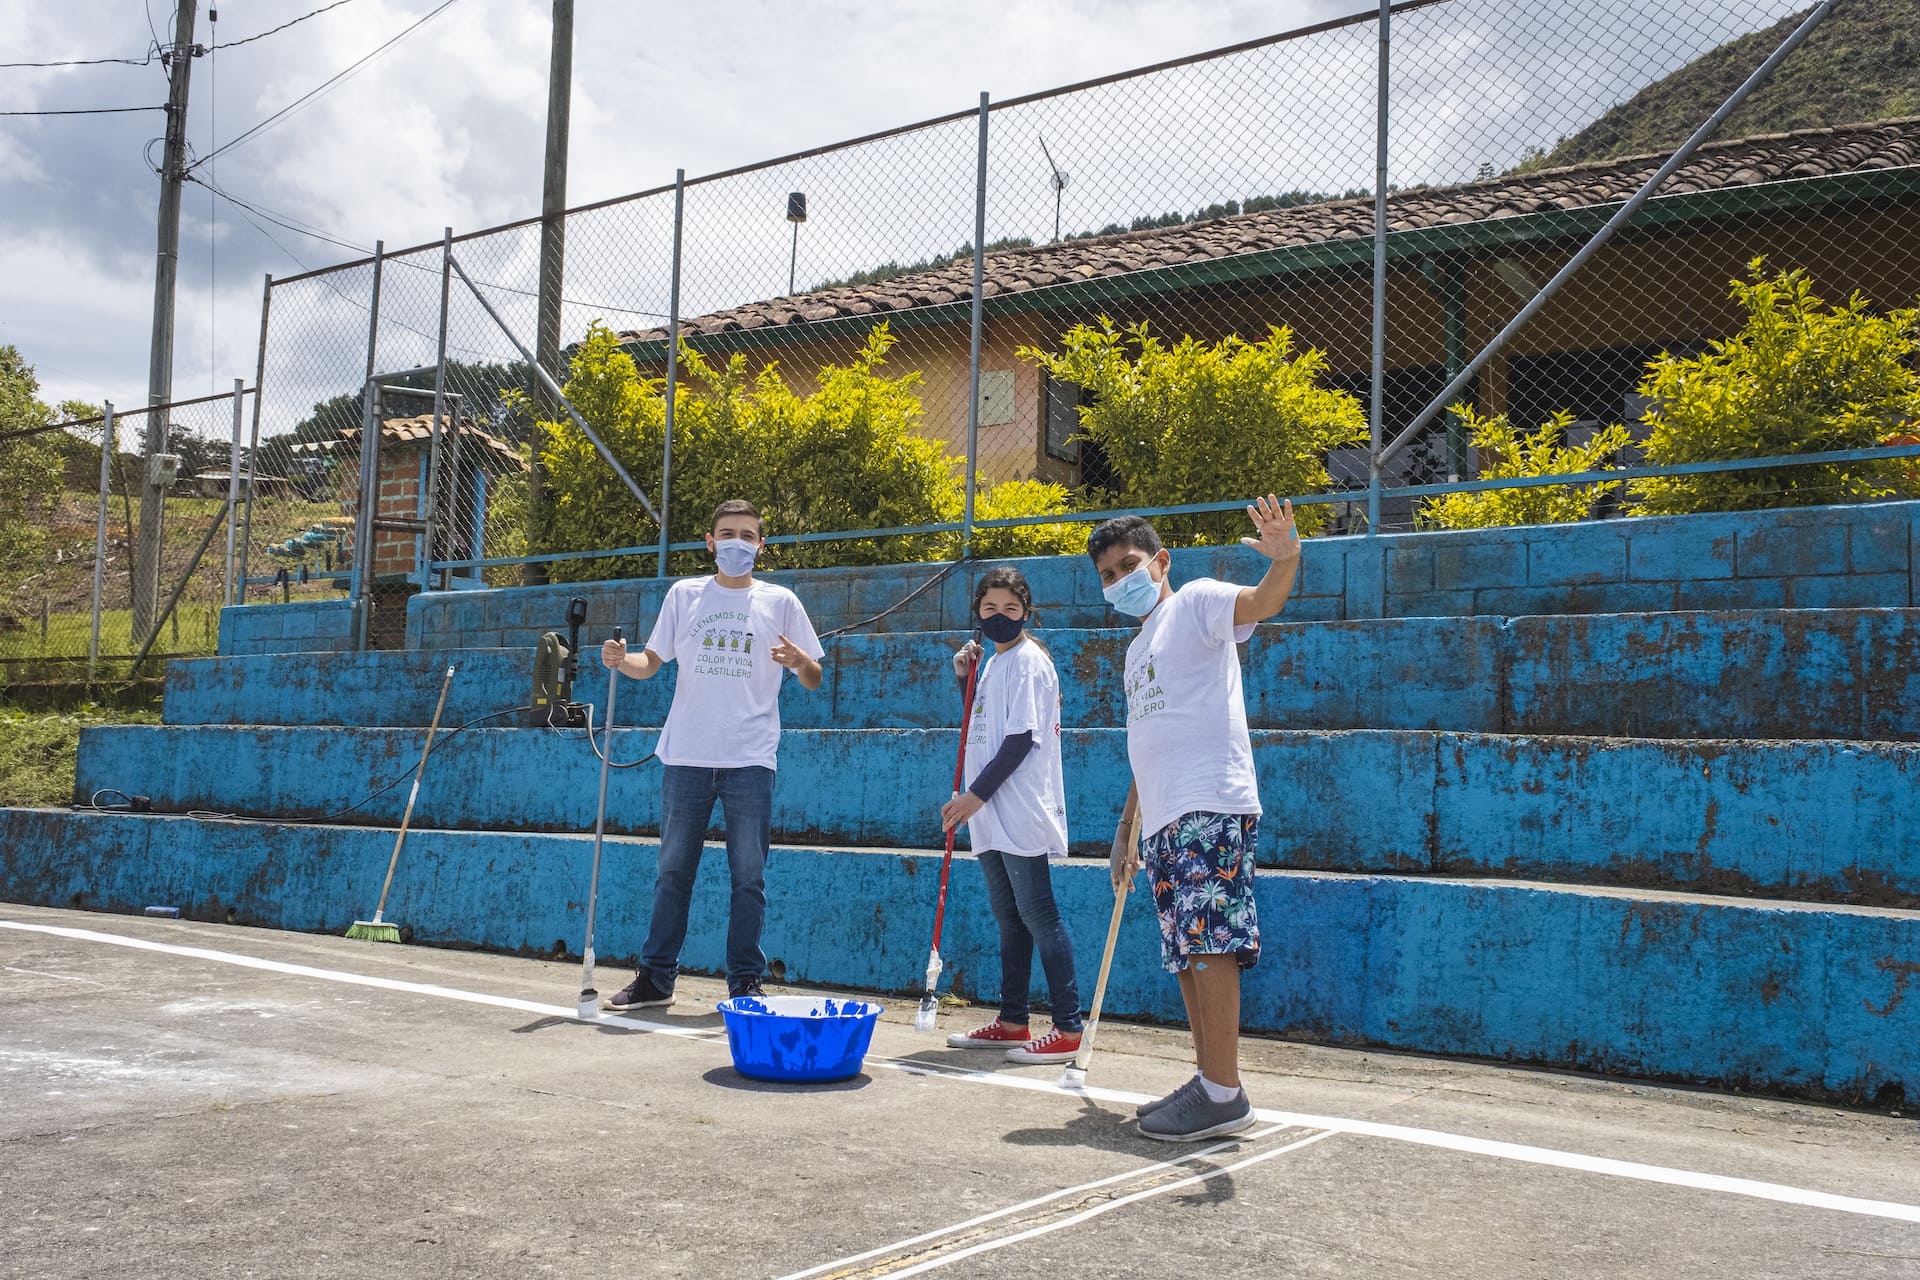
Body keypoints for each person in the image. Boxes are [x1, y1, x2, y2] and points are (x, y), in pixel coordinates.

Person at [1089, 495, 1300, 1141]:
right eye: (1107, 575)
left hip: (1210, 800)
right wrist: (1128, 829)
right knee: (1187, 951)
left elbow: (1262, 602)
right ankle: (1212, 1081)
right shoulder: (1136, 650)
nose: (1120, 580)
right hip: (1164, 816)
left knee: (1211, 943)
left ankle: (1224, 1089)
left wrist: (1286, 554)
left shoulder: (1197, 602)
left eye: (1129, 565)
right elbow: (1146, 740)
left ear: (1161, 560)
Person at [598, 499, 825, 1009]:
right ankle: (656, 979)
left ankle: (745, 981)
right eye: (727, 534)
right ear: (709, 541)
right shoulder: (685, 595)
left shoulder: (781, 601)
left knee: (749, 876)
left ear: (761, 545)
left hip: (751, 758)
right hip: (688, 754)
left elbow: (812, 678)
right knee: (673, 870)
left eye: (747, 535)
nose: (736, 543)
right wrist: (621, 659)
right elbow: (650, 662)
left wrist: (801, 659)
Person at [938, 567, 1083, 1065]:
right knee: (1010, 919)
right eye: (990, 609)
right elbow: (982, 727)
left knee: (1039, 914)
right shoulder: (993, 664)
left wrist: (973, 796)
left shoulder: (1027, 662)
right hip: (990, 810)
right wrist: (965, 679)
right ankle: (1013, 1022)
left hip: (1017, 806)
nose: (999, 617)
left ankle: (1068, 1029)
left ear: (1027, 613)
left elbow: (1021, 739)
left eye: (1010, 610)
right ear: (977, 612)